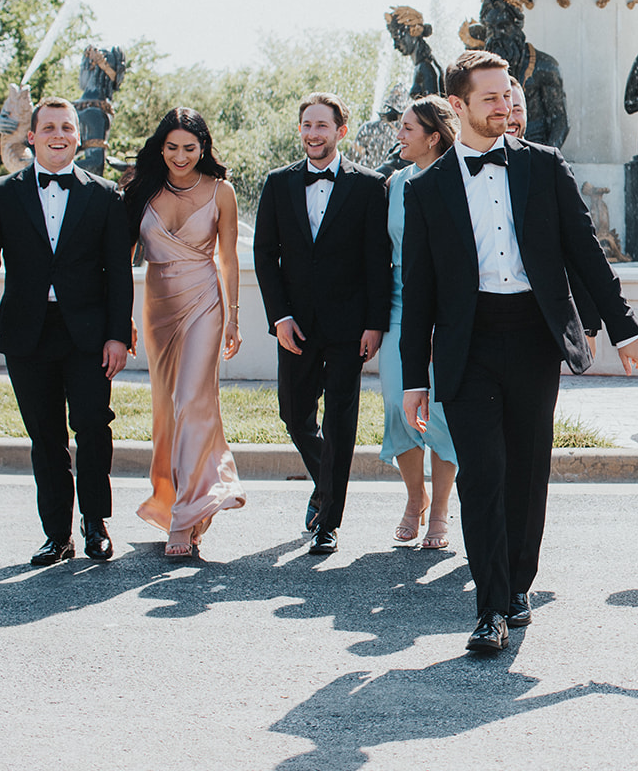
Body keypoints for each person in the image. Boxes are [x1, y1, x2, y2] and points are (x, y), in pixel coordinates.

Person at [401, 50, 638, 654]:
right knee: (481, 477)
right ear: (458, 106)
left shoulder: (545, 166)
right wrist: (416, 375)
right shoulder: (426, 189)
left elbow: (586, 256)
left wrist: (624, 331)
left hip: (535, 338)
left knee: (526, 470)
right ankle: (488, 606)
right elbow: (418, 292)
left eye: (508, 93)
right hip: (468, 345)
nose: (506, 105)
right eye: (491, 97)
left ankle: (518, 584)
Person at [0, 98, 132, 565]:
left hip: (89, 335)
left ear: (78, 137)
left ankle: (96, 524)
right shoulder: (2, 192)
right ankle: (57, 534)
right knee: (46, 436)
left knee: (94, 428)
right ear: (32, 136)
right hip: (26, 332)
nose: (59, 134)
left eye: (67, 127)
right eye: (50, 127)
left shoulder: (104, 195)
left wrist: (119, 335)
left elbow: (118, 272)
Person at [253, 92, 391, 556]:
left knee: (341, 422)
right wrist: (279, 317)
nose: (314, 133)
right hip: (294, 325)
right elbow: (264, 258)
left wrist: (374, 323)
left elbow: (378, 262)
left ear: (340, 131)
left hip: (349, 327)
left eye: (322, 126)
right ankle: (325, 481)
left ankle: (328, 518)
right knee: (293, 414)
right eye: (307, 125)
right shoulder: (277, 183)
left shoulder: (372, 186)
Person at [122, 109, 247, 557]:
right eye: (172, 147)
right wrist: (122, 317)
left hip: (204, 302)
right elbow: (121, 260)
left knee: (193, 401)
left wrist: (233, 317)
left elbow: (229, 259)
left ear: (203, 149)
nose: (180, 156)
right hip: (158, 305)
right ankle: (180, 500)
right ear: (161, 148)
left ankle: (185, 517)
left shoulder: (221, 192)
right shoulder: (141, 190)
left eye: (189, 148)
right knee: (167, 409)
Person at [380, 98, 460, 550]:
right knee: (397, 403)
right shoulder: (394, 184)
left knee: (443, 412)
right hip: (398, 310)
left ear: (432, 137)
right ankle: (416, 498)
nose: (399, 134)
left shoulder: (456, 183)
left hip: (446, 313)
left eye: (408, 128)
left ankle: (442, 510)